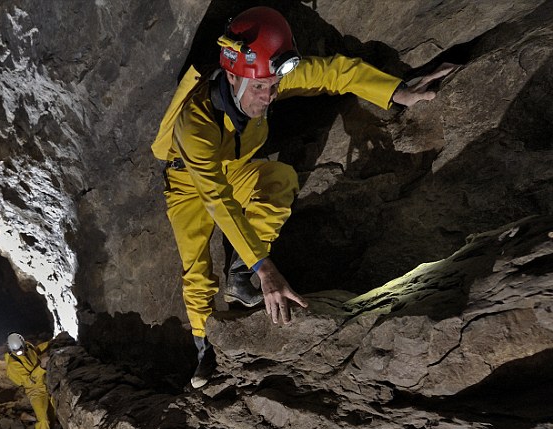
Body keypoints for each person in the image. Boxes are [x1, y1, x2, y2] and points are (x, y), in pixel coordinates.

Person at [151, 6, 455, 388]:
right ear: (232, 75)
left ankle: (242, 275)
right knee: (195, 267)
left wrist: (397, 91)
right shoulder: (194, 121)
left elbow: (334, 72)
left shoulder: (263, 77)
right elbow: (217, 200)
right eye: (260, 88)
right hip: (189, 180)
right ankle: (203, 348)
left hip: (234, 166)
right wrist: (269, 269)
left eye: (273, 85)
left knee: (280, 179)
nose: (268, 96)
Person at [3, 332, 63, 429]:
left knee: (52, 414)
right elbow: (28, 381)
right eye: (17, 351)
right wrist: (41, 367)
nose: (20, 352)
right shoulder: (13, 364)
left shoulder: (27, 347)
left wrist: (50, 343)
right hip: (35, 392)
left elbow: (36, 350)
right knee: (43, 420)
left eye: (21, 349)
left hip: (46, 383)